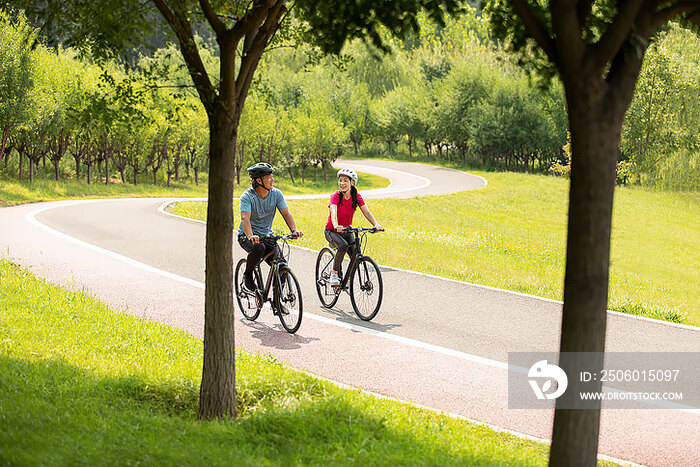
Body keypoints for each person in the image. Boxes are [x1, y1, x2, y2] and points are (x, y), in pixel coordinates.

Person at [238, 162, 303, 292]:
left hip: (267, 236)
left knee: (282, 266)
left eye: (272, 176)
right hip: (247, 236)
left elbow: (286, 213)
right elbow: (245, 218)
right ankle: (248, 274)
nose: (272, 180)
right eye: (268, 177)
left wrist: (294, 230)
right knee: (259, 248)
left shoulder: (276, 194)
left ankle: (277, 301)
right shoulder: (248, 196)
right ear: (258, 180)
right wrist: (250, 236)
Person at [325, 167, 384, 286]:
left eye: (345, 180)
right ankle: (334, 273)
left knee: (356, 252)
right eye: (340, 180)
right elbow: (333, 211)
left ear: (352, 182)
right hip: (332, 231)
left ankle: (348, 279)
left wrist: (376, 225)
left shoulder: (356, 197)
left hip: (347, 230)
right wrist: (336, 225)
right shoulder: (335, 196)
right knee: (343, 245)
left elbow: (367, 212)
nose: (342, 183)